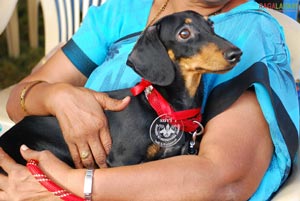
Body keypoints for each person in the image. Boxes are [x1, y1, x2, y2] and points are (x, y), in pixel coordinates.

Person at [0, 0, 299, 200]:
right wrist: (56, 95)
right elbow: (18, 101)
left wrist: (68, 184)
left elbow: (223, 179)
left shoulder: (249, 32)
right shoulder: (123, 10)